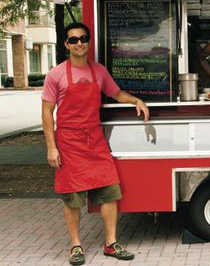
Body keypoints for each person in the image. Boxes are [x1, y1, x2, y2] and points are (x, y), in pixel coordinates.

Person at [41, 22, 149, 265]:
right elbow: (47, 113)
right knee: (72, 197)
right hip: (68, 142)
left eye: (83, 38)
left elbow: (116, 93)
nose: (79, 43)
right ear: (66, 44)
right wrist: (51, 146)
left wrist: (136, 101)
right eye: (73, 39)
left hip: (95, 139)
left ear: (88, 42)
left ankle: (110, 244)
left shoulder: (99, 71)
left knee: (109, 190)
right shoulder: (56, 74)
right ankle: (76, 245)